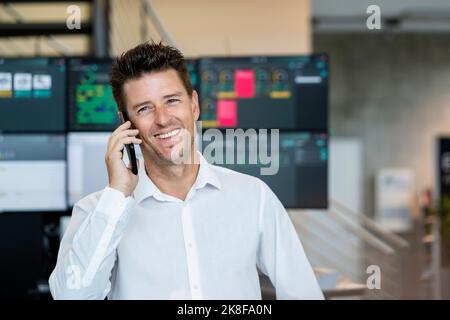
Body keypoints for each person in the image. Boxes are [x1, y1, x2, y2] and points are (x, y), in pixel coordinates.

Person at [49, 41, 324, 300]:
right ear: (126, 122)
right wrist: (117, 195)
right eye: (145, 108)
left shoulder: (254, 197)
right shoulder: (97, 211)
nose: (163, 119)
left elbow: (303, 293)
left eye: (171, 101)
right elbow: (71, 295)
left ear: (193, 105)